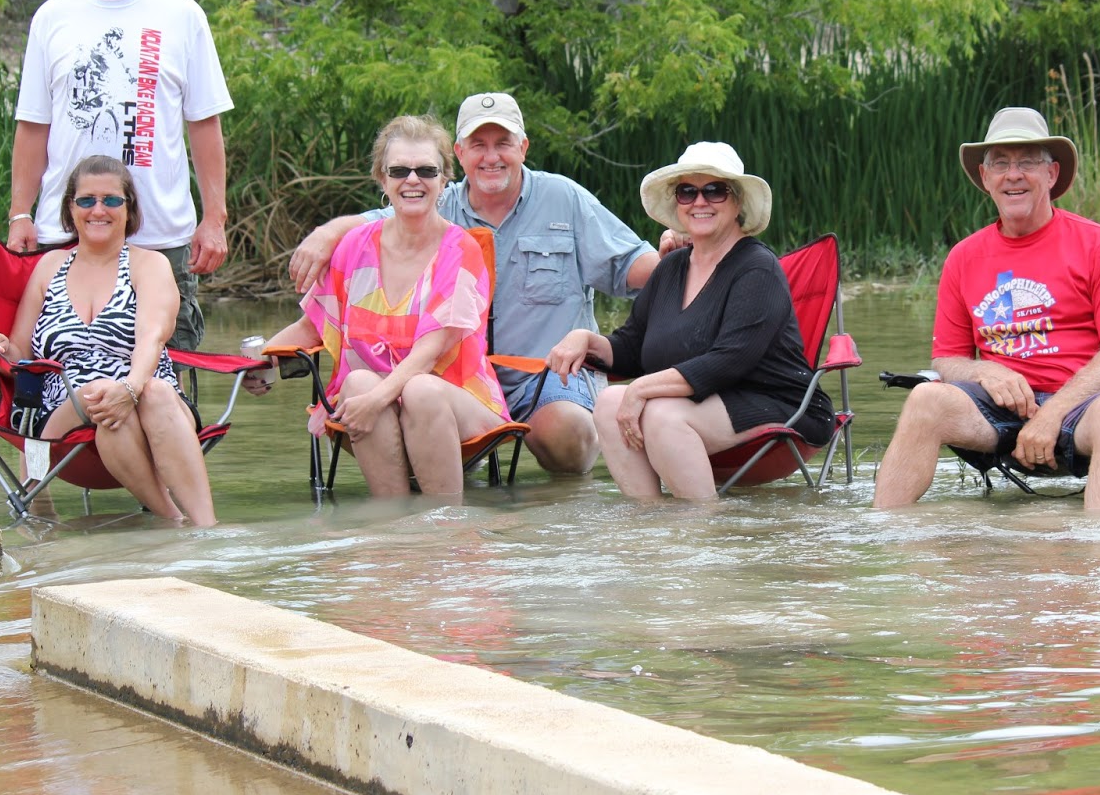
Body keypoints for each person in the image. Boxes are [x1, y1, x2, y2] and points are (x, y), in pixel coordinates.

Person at [289, 92, 659, 475]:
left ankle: (554, 514)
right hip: (453, 381)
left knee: (566, 436)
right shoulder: (431, 202)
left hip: (548, 378)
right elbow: (373, 222)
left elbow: (631, 264)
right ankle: (416, 521)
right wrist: (324, 234)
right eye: (478, 145)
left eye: (503, 144)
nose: (491, 156)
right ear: (459, 153)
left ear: (524, 147)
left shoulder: (563, 197)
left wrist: (686, 258)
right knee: (416, 400)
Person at [873, 107, 1100, 511]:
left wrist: (1052, 413)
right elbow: (948, 359)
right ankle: (888, 535)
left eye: (1027, 162)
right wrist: (985, 370)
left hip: (1084, 409)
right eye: (1000, 163)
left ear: (1052, 174)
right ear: (985, 178)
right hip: (998, 411)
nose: (1013, 174)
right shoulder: (963, 257)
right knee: (925, 399)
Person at [7, 0, 233, 351]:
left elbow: (204, 124)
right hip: (65, 228)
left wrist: (214, 218)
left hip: (160, 235)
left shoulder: (182, 15)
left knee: (164, 381)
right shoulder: (52, 17)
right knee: (62, 375)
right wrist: (20, 214)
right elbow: (32, 125)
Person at [545, 142, 833, 499]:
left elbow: (729, 361)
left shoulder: (758, 269)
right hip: (700, 404)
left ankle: (700, 534)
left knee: (662, 415)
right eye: (687, 191)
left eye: (715, 190)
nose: (700, 201)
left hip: (777, 402)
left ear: (738, 201)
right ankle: (651, 524)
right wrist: (584, 338)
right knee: (607, 402)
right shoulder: (670, 268)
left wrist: (640, 389)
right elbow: (632, 348)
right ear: (677, 202)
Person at [257, 115, 510, 500]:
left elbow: (429, 355)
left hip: (457, 401)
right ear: (382, 179)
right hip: (370, 407)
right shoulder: (353, 247)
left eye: (426, 170)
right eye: (399, 170)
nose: (412, 180)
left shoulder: (461, 250)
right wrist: (259, 362)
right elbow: (312, 327)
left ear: (444, 181)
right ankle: (391, 534)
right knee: (356, 382)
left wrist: (375, 401)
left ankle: (447, 529)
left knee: (421, 390)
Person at [0, 155, 216, 526]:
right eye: (86, 200)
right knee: (100, 394)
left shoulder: (149, 265)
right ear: (70, 208)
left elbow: (152, 337)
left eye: (111, 200)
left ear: (129, 208)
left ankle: (201, 528)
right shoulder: (49, 267)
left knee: (153, 395)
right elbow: (21, 353)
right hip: (62, 408)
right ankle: (176, 521)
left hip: (146, 394)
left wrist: (130, 388)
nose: (98, 209)